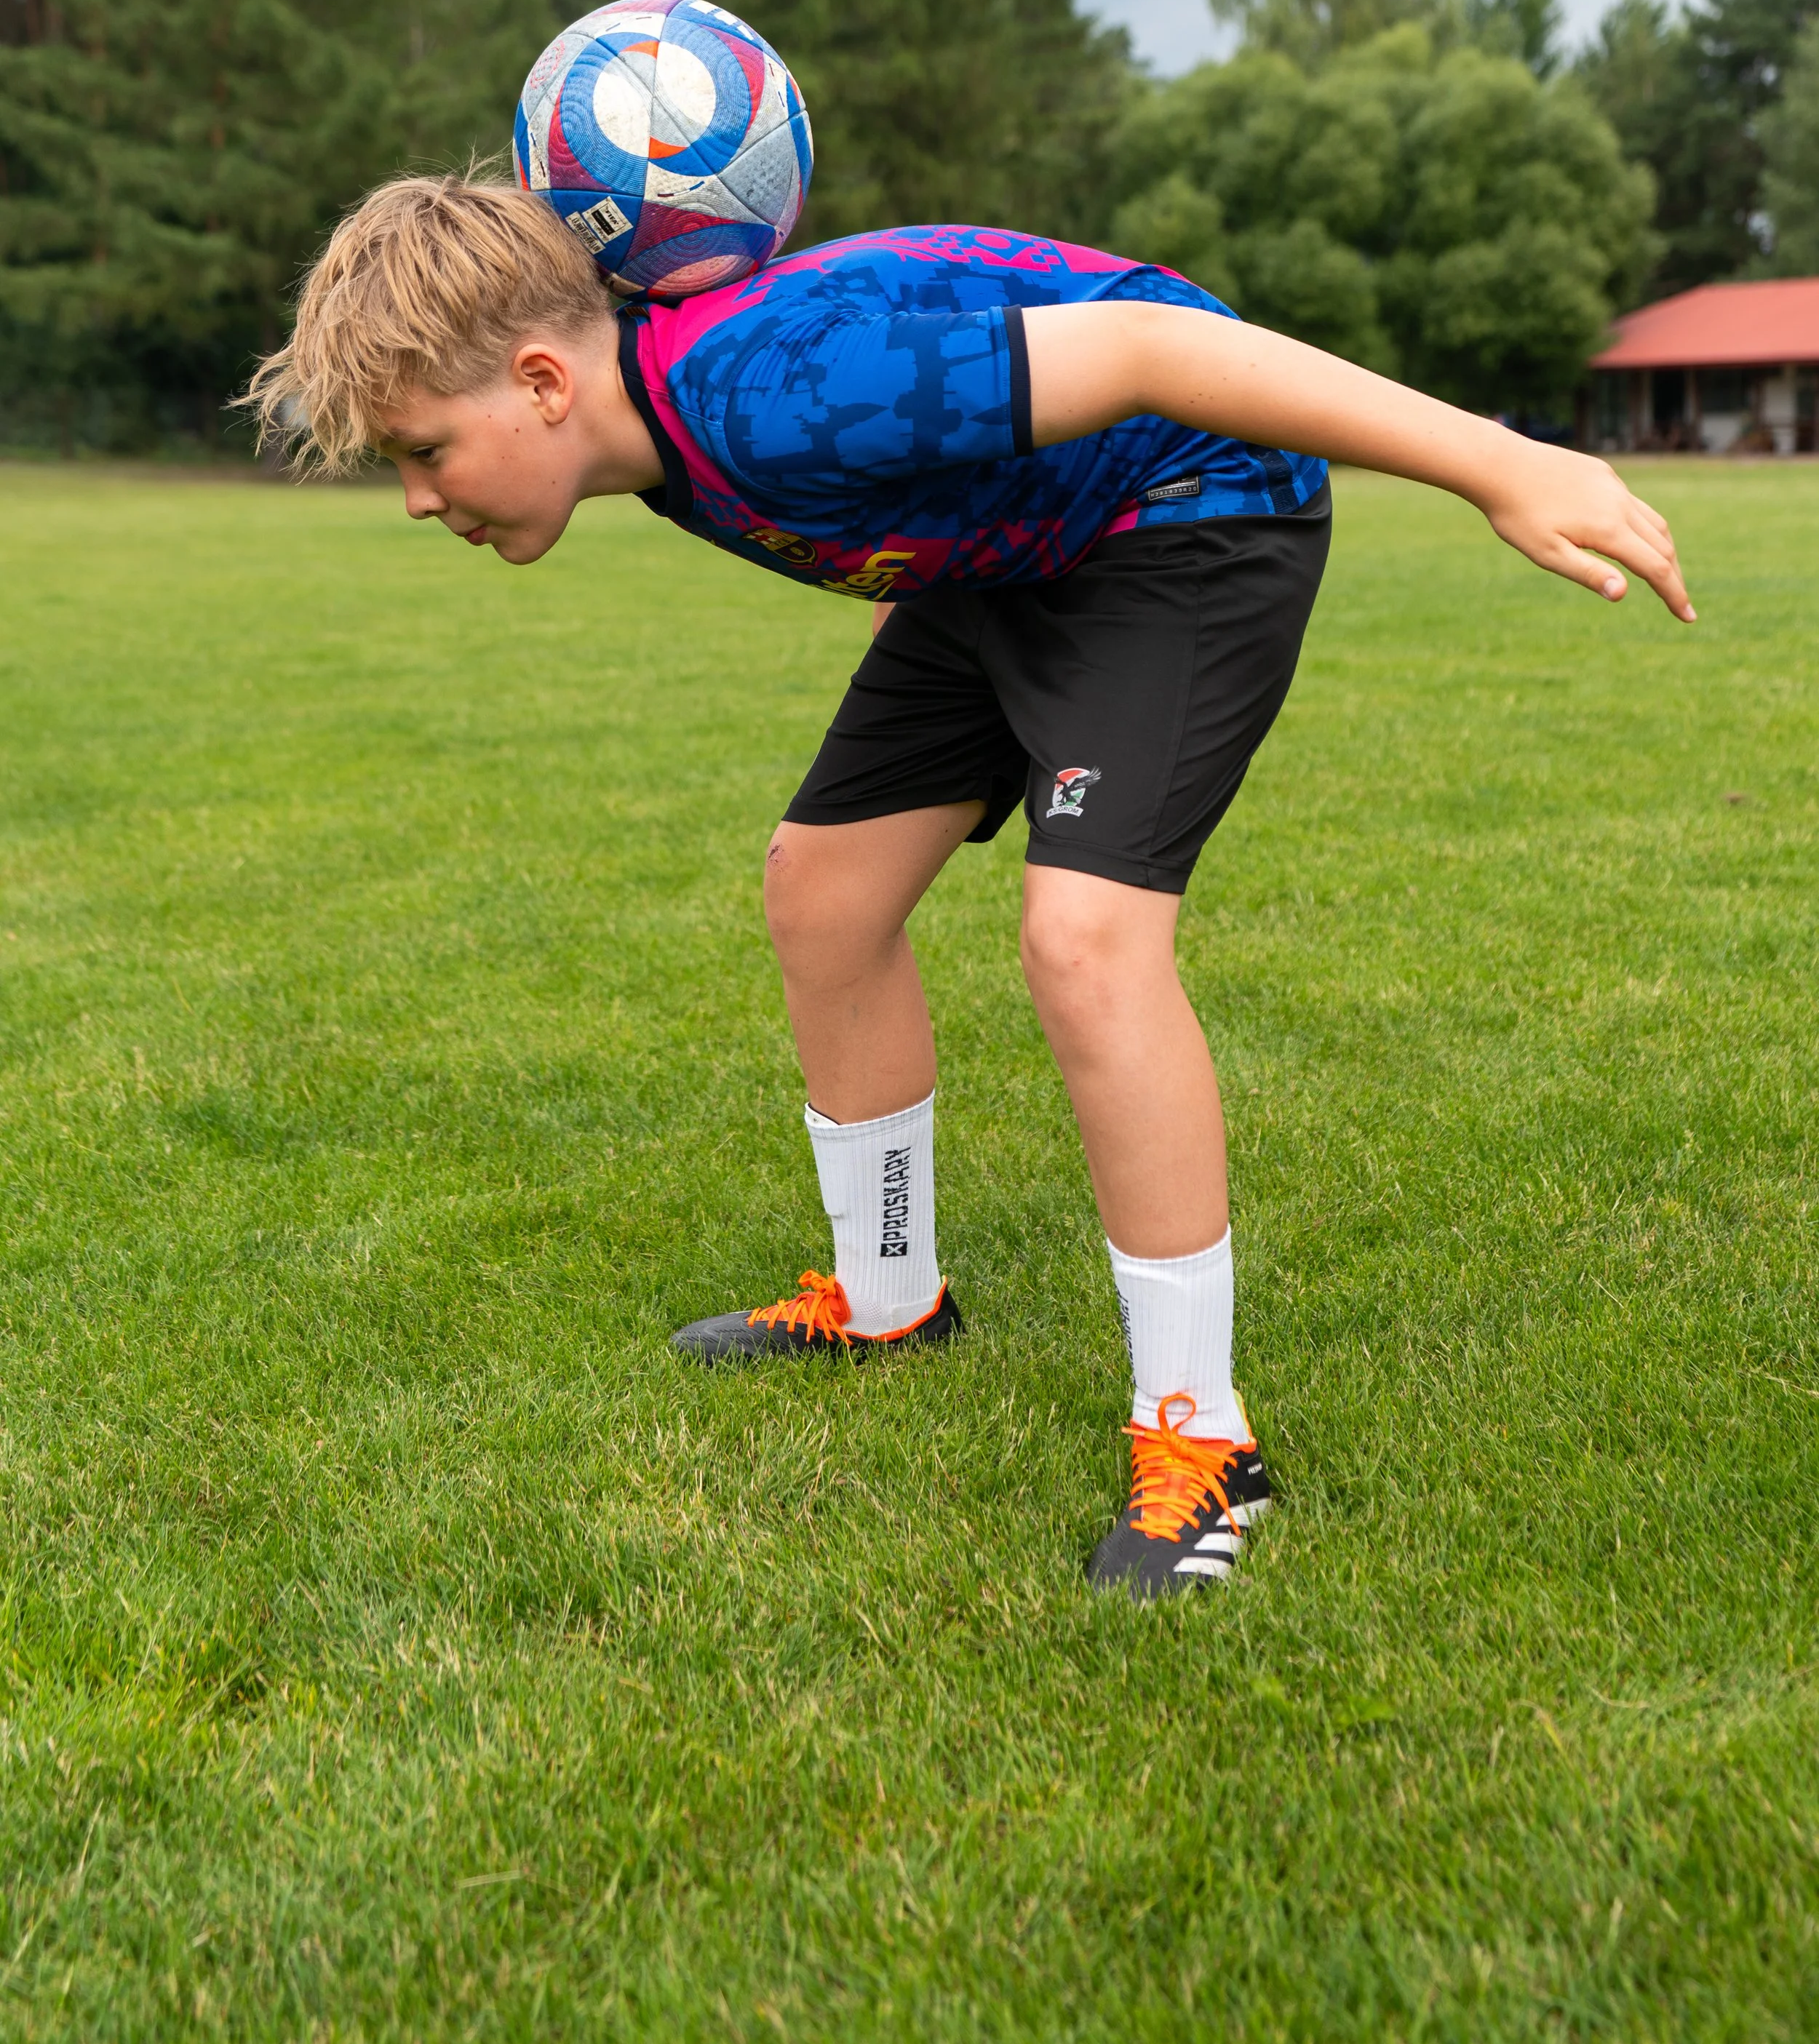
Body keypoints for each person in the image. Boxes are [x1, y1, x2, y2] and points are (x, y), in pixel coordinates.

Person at [247, 181, 1692, 1599]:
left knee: (1083, 942)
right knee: (821, 891)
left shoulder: (769, 386)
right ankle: (889, 1304)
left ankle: (1201, 1443)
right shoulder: (651, 423)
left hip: (1179, 511)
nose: (422, 496)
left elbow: (1152, 350)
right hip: (1003, 556)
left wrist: (1503, 461)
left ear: (546, 380)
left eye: (424, 451)